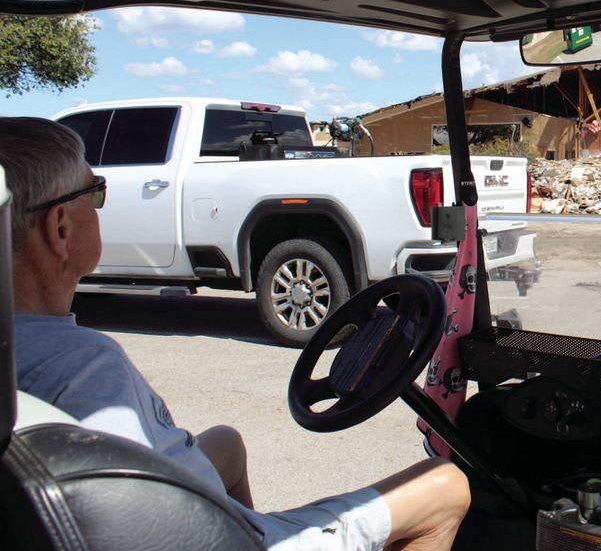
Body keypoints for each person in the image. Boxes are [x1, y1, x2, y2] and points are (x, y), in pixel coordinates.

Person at [1, 116, 470, 551]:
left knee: (225, 443)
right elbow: (136, 524)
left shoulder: (23, 356)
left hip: (168, 504)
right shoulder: (85, 368)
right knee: (445, 485)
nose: (101, 205)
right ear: (59, 227)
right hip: (192, 534)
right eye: (95, 192)